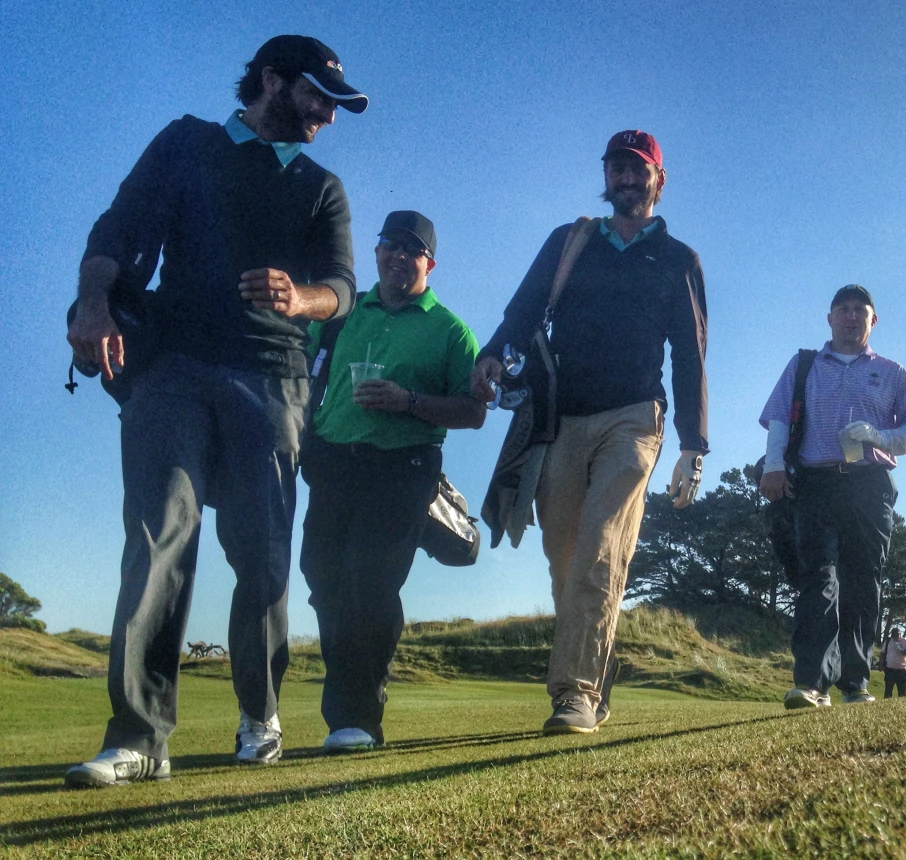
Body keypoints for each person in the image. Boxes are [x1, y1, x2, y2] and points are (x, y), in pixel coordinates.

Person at [64, 35, 367, 788]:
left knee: (261, 553)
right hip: (173, 368)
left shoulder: (322, 187)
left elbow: (342, 288)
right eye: (319, 97)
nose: (328, 116)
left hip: (272, 378)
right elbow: (117, 230)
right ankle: (140, 737)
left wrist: (301, 297)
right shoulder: (187, 143)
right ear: (272, 80)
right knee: (159, 533)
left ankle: (260, 715)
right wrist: (93, 303)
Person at [471, 130, 708, 735]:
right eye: (616, 168)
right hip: (562, 418)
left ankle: (574, 692)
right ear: (606, 176)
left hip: (635, 419)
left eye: (638, 169)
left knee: (602, 548)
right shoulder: (569, 241)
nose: (626, 178)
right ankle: (597, 669)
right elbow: (524, 308)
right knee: (566, 559)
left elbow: (690, 355)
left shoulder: (679, 259)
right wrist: (494, 352)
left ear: (658, 180)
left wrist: (693, 445)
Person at [300, 211, 485, 754]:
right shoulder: (341, 314)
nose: (398, 256)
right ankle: (347, 709)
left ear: (430, 264)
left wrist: (408, 402)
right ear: (376, 252)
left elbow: (474, 412)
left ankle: (357, 717)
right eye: (389, 245)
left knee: (371, 583)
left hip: (404, 468)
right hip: (334, 462)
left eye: (412, 249)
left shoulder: (451, 330)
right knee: (323, 577)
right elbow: (301, 369)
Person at [759, 285, 906, 709]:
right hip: (814, 482)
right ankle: (812, 683)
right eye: (843, 309)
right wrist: (773, 465)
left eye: (860, 310)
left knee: (862, 582)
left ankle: (856, 683)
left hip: (869, 484)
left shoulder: (892, 372)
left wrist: (880, 437)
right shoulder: (804, 365)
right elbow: (779, 418)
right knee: (816, 579)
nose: (851, 316)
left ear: (873, 320)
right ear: (830, 318)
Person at [881, 628, 906, 699]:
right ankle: (887, 703)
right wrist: (881, 665)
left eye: (897, 635)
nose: (895, 637)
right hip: (890, 669)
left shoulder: (905, 642)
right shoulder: (888, 641)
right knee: (888, 689)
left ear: (900, 634)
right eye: (893, 636)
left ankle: (902, 704)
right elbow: (883, 653)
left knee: (902, 690)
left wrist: (901, 650)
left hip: (901, 670)